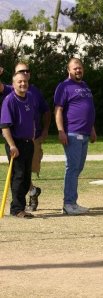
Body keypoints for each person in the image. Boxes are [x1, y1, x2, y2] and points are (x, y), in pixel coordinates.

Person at [54, 58, 97, 215]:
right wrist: (60, 131)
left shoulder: (85, 86)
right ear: (68, 70)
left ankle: (72, 201)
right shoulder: (64, 86)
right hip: (72, 132)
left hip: (85, 133)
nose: (78, 70)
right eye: (75, 68)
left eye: (80, 68)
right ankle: (68, 203)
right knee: (72, 168)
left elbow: (88, 109)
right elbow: (58, 110)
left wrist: (92, 129)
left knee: (78, 168)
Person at [15, 63, 51, 211]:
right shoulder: (12, 90)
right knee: (20, 172)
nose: (24, 73)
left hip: (33, 138)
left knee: (26, 171)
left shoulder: (35, 92)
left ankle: (30, 195)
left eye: (26, 71)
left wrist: (45, 130)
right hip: (15, 138)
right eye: (20, 71)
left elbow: (46, 111)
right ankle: (30, 195)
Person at [0, 72, 35, 218]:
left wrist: (32, 135)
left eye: (25, 81)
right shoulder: (9, 100)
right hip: (15, 144)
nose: (23, 84)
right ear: (13, 84)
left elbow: (32, 118)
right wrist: (12, 145)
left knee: (26, 177)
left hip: (28, 143)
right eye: (19, 82)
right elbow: (5, 127)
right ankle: (17, 209)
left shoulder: (30, 98)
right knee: (18, 176)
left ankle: (21, 206)